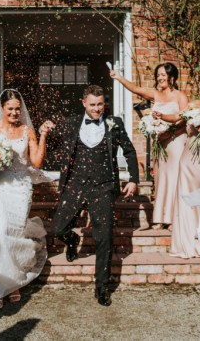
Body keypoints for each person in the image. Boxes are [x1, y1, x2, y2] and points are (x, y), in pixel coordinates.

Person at [51, 85, 139, 306]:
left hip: (104, 185)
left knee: (104, 237)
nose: (97, 109)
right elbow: (54, 145)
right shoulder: (71, 122)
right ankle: (72, 240)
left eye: (100, 104)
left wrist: (134, 179)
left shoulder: (114, 123)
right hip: (75, 183)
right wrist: (45, 130)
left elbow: (129, 150)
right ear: (83, 103)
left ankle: (102, 287)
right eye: (93, 105)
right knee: (57, 228)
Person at [0, 89, 54, 309]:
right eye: (10, 109)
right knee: (0, 232)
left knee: (16, 234)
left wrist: (43, 136)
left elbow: (37, 162)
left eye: (17, 109)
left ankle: (13, 283)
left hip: (21, 188)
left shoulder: (27, 130)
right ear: (1, 109)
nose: (14, 113)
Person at [110, 63, 188, 230]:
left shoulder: (180, 96)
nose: (159, 78)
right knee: (160, 179)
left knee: (174, 179)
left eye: (162, 75)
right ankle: (160, 218)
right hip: (160, 143)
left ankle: (175, 218)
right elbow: (136, 89)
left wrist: (170, 131)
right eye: (158, 75)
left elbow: (185, 119)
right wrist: (119, 78)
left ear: (171, 77)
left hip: (176, 143)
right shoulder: (155, 94)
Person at [168, 69, 200, 259]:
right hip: (188, 156)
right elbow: (176, 118)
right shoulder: (192, 104)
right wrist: (158, 117)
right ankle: (187, 243)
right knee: (187, 197)